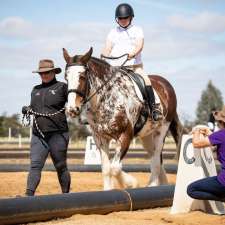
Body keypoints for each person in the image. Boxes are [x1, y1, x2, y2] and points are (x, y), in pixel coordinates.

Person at [101, 3, 162, 121]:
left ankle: (154, 108)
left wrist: (133, 53)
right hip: (116, 67)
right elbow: (107, 47)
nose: (123, 20)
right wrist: (104, 55)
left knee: (146, 80)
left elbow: (140, 45)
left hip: (134, 66)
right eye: (120, 18)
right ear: (117, 19)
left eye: (125, 18)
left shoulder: (137, 30)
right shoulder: (113, 32)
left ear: (131, 17)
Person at [22, 59, 71, 196]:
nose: (44, 75)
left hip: (58, 134)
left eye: (47, 72)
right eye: (41, 73)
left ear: (54, 72)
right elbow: (35, 107)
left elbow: (75, 102)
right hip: (38, 135)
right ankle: (28, 196)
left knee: (60, 167)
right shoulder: (35, 90)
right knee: (35, 165)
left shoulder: (62, 87)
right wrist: (27, 109)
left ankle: (66, 196)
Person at [187, 105, 225, 201]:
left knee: (191, 189)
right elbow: (218, 140)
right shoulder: (219, 135)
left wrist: (196, 130)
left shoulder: (221, 134)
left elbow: (196, 143)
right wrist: (211, 134)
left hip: (223, 181)